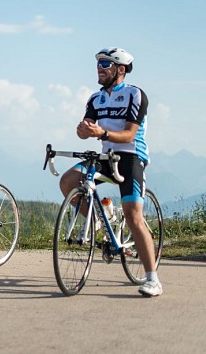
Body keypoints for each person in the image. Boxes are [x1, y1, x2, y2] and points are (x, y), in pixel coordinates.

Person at [59, 47, 161, 297]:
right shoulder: (95, 98)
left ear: (120, 69)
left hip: (131, 158)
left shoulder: (135, 95)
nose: (100, 68)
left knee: (133, 215)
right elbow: (86, 131)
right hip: (105, 158)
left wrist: (101, 133)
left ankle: (152, 279)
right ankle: (97, 221)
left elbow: (129, 134)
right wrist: (83, 130)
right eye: (98, 64)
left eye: (106, 64)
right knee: (68, 181)